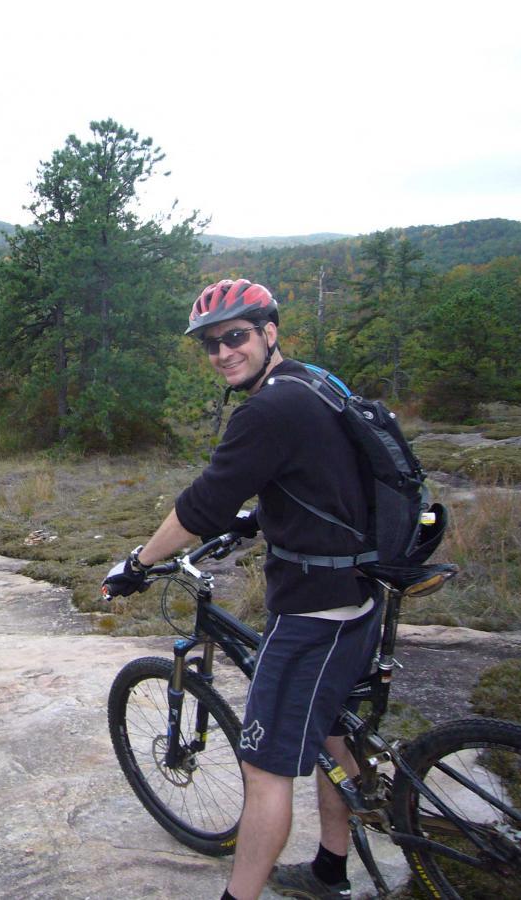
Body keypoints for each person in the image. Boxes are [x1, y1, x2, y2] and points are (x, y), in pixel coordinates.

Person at [104, 279, 381, 900]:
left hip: (317, 611)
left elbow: (202, 505)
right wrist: (261, 518)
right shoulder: (311, 382)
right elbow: (322, 474)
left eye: (236, 336)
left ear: (269, 333)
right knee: (331, 730)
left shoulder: (267, 409)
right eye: (212, 343)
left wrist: (138, 563)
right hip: (358, 587)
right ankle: (332, 869)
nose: (224, 352)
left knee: (265, 771)